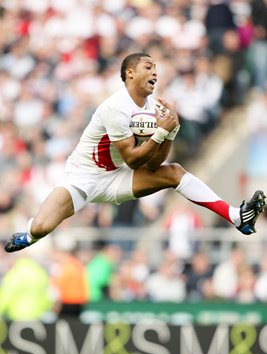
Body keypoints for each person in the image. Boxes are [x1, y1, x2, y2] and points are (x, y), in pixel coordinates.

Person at [4, 53, 266, 253]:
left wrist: (170, 132)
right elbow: (132, 157)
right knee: (41, 228)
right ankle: (28, 236)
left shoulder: (153, 106)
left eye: (156, 69)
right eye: (148, 67)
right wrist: (161, 133)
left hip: (118, 176)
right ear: (129, 73)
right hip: (82, 177)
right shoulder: (114, 107)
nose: (155, 72)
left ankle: (236, 216)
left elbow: (153, 164)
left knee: (173, 172)